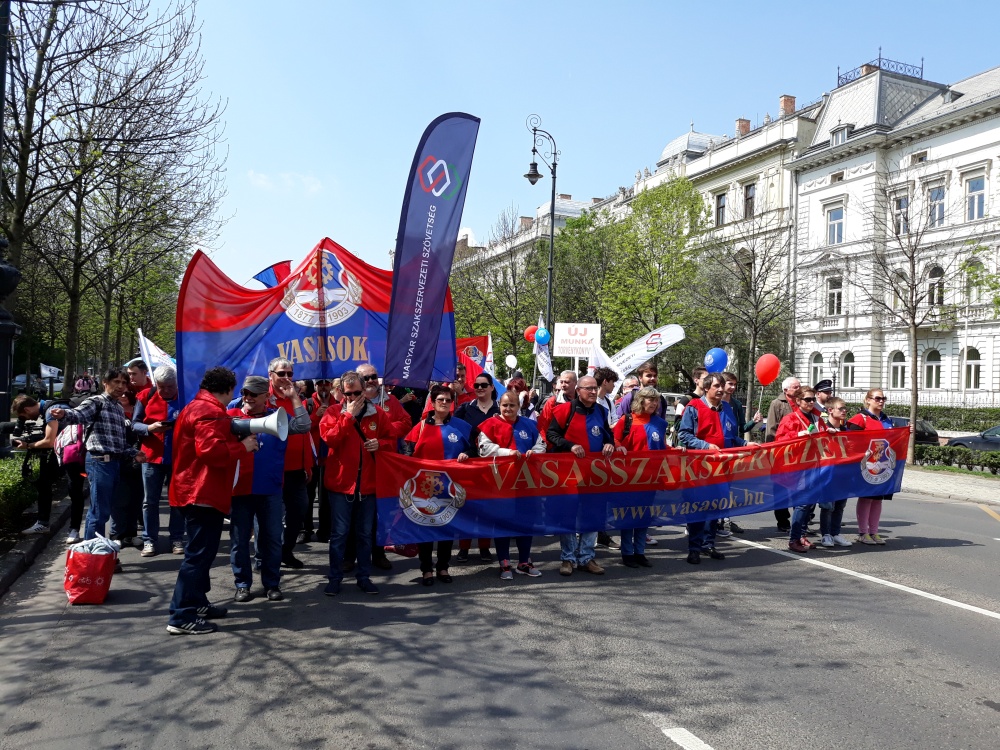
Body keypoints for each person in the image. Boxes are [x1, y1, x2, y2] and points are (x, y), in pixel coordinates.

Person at [166, 367, 258, 635]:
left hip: (193, 490)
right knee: (198, 556)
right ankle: (181, 615)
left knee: (202, 554)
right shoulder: (210, 411)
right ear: (229, 389)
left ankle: (197, 602)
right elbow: (210, 452)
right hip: (201, 492)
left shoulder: (195, 407)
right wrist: (242, 447)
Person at [49, 369, 147, 548]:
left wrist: (134, 453)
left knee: (110, 508)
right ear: (105, 383)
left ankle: (100, 551)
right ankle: (92, 552)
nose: (120, 386)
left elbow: (118, 443)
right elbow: (78, 415)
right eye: (116, 382)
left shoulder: (118, 407)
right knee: (99, 512)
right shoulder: (96, 402)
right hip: (99, 462)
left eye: (124, 383)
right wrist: (63, 414)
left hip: (115, 463)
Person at [321, 370, 397, 597]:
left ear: (364, 391)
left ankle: (364, 577)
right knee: (339, 535)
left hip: (368, 486)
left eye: (356, 393)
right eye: (348, 394)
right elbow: (330, 439)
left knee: (365, 534)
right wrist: (348, 416)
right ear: (341, 393)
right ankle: (334, 578)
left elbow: (392, 439)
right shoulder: (334, 412)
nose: (352, 398)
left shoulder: (378, 414)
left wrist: (380, 444)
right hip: (341, 485)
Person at [677, 372, 757, 564]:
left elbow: (731, 436)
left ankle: (708, 544)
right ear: (706, 388)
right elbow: (684, 434)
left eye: (722, 386)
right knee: (698, 508)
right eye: (716, 386)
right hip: (699, 467)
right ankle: (694, 548)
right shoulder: (693, 407)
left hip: (722, 468)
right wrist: (705, 446)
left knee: (715, 507)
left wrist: (745, 444)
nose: (721, 389)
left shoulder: (727, 408)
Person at [547, 375, 619, 576]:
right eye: (589, 389)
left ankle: (586, 557)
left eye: (595, 388)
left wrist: (609, 444)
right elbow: (551, 435)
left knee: (593, 515)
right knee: (568, 516)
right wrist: (570, 445)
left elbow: (609, 436)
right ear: (578, 391)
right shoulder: (564, 410)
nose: (594, 392)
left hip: (595, 475)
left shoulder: (602, 411)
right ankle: (568, 558)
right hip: (569, 475)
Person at [403, 384, 473, 586]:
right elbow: (407, 454)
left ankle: (443, 567)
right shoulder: (420, 427)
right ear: (432, 403)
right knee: (425, 530)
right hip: (424, 488)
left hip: (451, 488)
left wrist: (466, 454)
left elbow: (476, 450)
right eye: (440, 399)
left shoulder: (462, 426)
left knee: (446, 529)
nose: (444, 403)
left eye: (448, 400)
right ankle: (426, 569)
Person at [227, 376, 288, 602]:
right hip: (240, 489)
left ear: (266, 396)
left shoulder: (278, 415)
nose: (248, 397)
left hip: (270, 489)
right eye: (245, 393)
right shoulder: (231, 416)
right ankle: (242, 584)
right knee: (239, 540)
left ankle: (272, 583)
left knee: (272, 539)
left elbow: (303, 425)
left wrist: (293, 397)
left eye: (253, 394)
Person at [348, 363, 412, 571]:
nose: (370, 381)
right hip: (356, 467)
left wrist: (385, 429)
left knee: (381, 512)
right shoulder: (348, 400)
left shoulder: (390, 401)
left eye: (373, 376)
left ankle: (378, 553)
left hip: (383, 466)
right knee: (353, 514)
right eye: (365, 378)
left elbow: (406, 422)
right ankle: (349, 556)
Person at [478, 390, 546, 580]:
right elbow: (484, 449)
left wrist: (534, 452)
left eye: (512, 405)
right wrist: (506, 453)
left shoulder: (530, 425)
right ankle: (504, 562)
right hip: (500, 484)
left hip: (526, 483)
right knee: (502, 522)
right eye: (505, 405)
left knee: (526, 521)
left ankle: (524, 561)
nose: (508, 408)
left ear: (519, 406)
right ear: (499, 405)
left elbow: (541, 445)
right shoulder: (489, 425)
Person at [613, 386, 672, 569]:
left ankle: (639, 552)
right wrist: (618, 447)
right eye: (650, 399)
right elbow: (614, 439)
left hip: (650, 479)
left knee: (643, 516)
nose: (654, 403)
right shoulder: (627, 420)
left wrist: (676, 450)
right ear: (640, 400)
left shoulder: (660, 423)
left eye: (656, 400)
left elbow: (662, 447)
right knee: (628, 516)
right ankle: (627, 553)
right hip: (629, 479)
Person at [12, 395, 86, 541]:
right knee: (45, 482)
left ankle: (72, 530)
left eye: (23, 416)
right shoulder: (52, 405)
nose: (27, 419)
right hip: (71, 450)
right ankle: (46, 524)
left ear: (27, 409)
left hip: (72, 453)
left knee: (74, 490)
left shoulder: (51, 411)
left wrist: (28, 445)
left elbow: (49, 441)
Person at [264, 358, 315, 570]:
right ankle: (265, 558)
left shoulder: (297, 399)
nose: (286, 377)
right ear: (271, 375)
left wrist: (307, 464)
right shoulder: (264, 398)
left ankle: (286, 551)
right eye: (281, 373)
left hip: (296, 469)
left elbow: (304, 434)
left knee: (299, 512)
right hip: (272, 469)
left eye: (290, 374)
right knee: (270, 518)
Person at [131, 365, 183, 557]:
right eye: (162, 387)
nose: (166, 390)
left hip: (178, 457)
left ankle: (177, 538)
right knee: (150, 501)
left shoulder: (185, 397)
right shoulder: (146, 396)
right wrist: (149, 428)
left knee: (177, 501)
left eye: (170, 386)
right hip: (151, 457)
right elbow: (134, 424)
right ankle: (149, 540)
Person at [453, 372, 499, 563]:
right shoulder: (466, 408)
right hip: (469, 464)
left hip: (493, 466)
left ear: (491, 387)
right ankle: (464, 548)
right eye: (477, 385)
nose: (479, 388)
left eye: (483, 385)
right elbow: (453, 431)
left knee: (487, 509)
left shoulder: (500, 409)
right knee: (466, 506)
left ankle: (484, 547)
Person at [775, 387, 827, 553]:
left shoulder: (816, 417)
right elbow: (780, 440)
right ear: (798, 401)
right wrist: (798, 435)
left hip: (814, 465)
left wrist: (830, 432)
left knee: (810, 503)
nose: (811, 402)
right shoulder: (790, 418)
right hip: (798, 466)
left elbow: (824, 436)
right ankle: (794, 539)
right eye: (807, 399)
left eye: (813, 399)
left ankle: (802, 535)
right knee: (802, 503)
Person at [848, 388, 896, 546]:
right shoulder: (859, 419)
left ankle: (874, 532)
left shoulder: (886, 420)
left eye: (883, 398)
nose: (881, 401)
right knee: (867, 497)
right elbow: (851, 442)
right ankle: (863, 532)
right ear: (868, 400)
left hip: (883, 464)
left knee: (877, 499)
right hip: (866, 464)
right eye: (877, 398)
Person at [816, 397, 855, 548]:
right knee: (827, 506)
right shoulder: (823, 429)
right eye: (841, 408)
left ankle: (835, 533)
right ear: (830, 410)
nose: (844, 411)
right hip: (827, 473)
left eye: (845, 408)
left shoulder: (846, 431)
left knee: (840, 505)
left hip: (843, 474)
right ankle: (826, 534)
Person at [765, 375, 801, 532]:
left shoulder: (801, 402)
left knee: (799, 487)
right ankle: (783, 520)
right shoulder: (777, 403)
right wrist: (772, 451)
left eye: (799, 386)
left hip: (798, 454)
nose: (799, 389)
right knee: (781, 488)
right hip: (782, 451)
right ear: (786, 390)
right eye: (796, 387)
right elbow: (771, 428)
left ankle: (800, 520)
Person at [306, 378, 335, 544]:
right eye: (320, 384)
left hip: (329, 457)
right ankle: (306, 529)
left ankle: (325, 530)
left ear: (331, 386)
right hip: (311, 457)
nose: (323, 387)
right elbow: (302, 427)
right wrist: (316, 416)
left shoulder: (337, 404)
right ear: (315, 386)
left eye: (326, 384)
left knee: (326, 498)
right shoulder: (307, 404)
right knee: (308, 496)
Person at [537, 370, 577, 444]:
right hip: (557, 445)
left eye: (567, 382)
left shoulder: (582, 401)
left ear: (575, 383)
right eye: (561, 382)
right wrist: (549, 445)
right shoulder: (552, 402)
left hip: (577, 445)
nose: (563, 385)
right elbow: (543, 426)